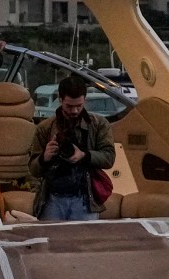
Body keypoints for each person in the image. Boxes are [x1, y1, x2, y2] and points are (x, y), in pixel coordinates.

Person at [31, 72, 115, 222]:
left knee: (83, 243)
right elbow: (33, 169)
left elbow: (109, 158)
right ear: (60, 100)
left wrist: (84, 155)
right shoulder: (45, 128)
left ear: (85, 101)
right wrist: (45, 158)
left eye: (79, 106)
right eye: (69, 106)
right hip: (53, 198)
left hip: (84, 198)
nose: (75, 111)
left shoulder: (98, 124)